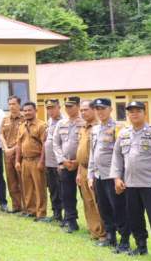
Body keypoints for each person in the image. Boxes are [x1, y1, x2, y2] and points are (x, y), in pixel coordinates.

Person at [111, 101, 151, 261]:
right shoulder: (123, 134)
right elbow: (117, 157)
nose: (134, 114)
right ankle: (141, 246)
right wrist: (117, 178)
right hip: (130, 185)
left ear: (144, 113)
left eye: (138, 111)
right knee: (134, 218)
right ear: (128, 115)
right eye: (131, 111)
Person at [89, 98, 130, 253]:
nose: (100, 112)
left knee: (119, 208)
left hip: (113, 176)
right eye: (97, 109)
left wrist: (119, 176)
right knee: (104, 208)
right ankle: (110, 237)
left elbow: (121, 154)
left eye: (103, 108)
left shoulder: (119, 128)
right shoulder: (95, 129)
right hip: (99, 175)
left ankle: (124, 241)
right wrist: (90, 175)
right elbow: (93, 153)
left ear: (110, 109)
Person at [76, 99, 106, 242]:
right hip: (82, 170)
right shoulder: (83, 128)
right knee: (87, 202)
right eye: (81, 110)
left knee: (98, 202)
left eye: (86, 109)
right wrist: (78, 172)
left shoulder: (99, 127)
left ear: (94, 110)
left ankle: (104, 233)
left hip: (94, 171)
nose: (83, 112)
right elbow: (80, 151)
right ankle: (94, 231)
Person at [53, 96, 83, 233]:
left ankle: (95, 224)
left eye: (71, 106)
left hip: (81, 165)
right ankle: (71, 221)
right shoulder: (61, 123)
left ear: (78, 106)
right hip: (65, 164)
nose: (68, 109)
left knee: (87, 196)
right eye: (66, 106)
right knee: (67, 194)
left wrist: (78, 162)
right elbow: (56, 143)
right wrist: (62, 160)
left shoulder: (84, 122)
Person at [15, 102, 47, 220]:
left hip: (37, 159)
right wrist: (17, 161)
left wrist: (42, 161)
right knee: (27, 187)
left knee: (39, 188)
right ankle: (30, 210)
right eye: (25, 110)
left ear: (35, 110)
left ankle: (41, 213)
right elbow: (19, 144)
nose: (27, 112)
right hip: (25, 161)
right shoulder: (22, 126)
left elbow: (45, 145)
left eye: (29, 110)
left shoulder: (42, 125)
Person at [0, 96, 24, 214]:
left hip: (20, 154)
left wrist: (12, 149)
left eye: (14, 104)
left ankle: (26, 206)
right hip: (7, 154)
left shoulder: (24, 119)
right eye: (9, 104)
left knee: (22, 180)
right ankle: (16, 206)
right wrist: (5, 148)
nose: (11, 106)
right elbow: (1, 135)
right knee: (11, 181)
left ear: (19, 105)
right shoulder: (5, 119)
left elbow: (24, 138)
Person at [42, 98, 64, 224]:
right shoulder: (50, 121)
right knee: (53, 188)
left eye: (52, 108)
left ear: (58, 107)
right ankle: (56, 213)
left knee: (61, 190)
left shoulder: (64, 122)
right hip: (49, 162)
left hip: (58, 163)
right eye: (48, 108)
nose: (50, 111)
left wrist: (59, 162)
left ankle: (65, 215)